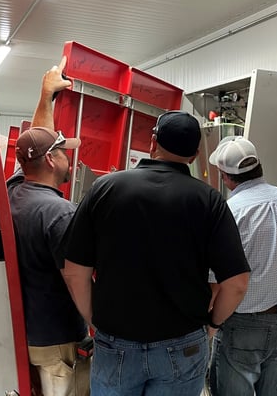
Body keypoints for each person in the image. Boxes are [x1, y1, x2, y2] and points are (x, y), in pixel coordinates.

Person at [61, 110, 251, 396]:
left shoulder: (105, 189)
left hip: (116, 343)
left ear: (152, 143)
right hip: (183, 344)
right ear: (194, 155)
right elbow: (236, 283)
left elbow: (74, 270)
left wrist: (94, 319)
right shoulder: (209, 200)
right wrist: (212, 325)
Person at [7, 56, 91, 396]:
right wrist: (98, 321)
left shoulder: (12, 191)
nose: (70, 156)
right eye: (64, 151)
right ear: (53, 160)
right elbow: (76, 277)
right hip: (59, 341)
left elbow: (32, 146)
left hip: (27, 332)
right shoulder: (60, 213)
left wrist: (47, 96)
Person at [207, 136, 277, 396]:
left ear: (225, 176)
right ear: (258, 166)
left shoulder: (229, 211)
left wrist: (210, 324)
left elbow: (219, 282)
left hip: (243, 324)